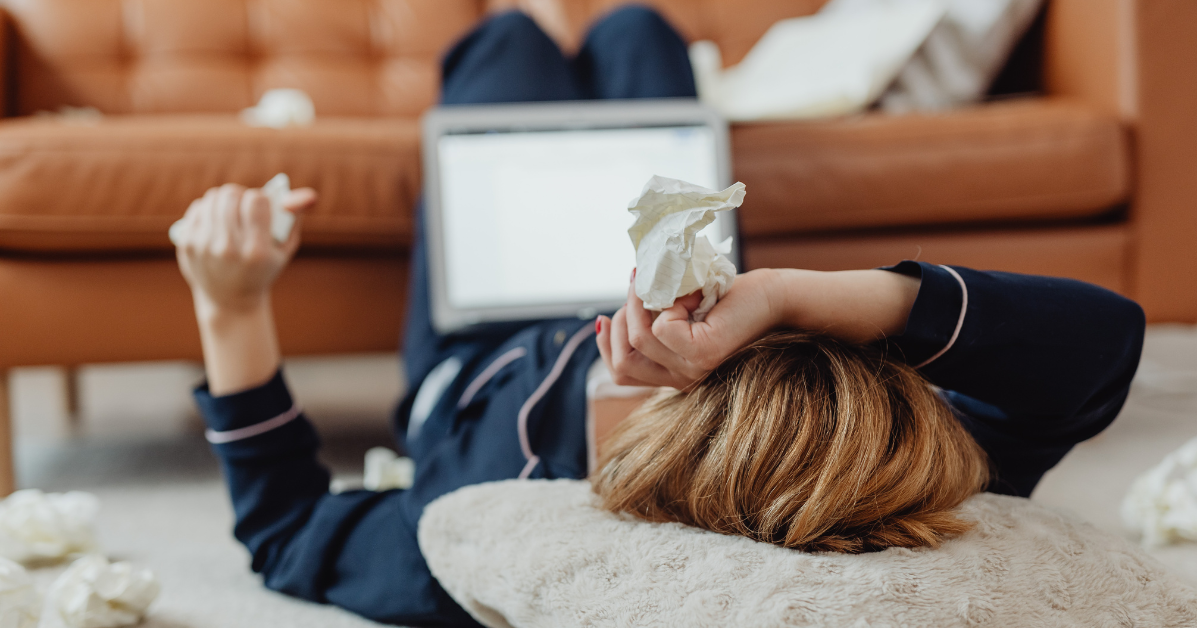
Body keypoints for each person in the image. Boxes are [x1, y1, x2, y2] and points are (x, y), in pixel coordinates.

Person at [171, 6, 1146, 627]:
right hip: (668, 260)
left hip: (485, 336)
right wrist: (780, 294)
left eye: (654, 391)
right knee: (641, 29)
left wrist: (231, 304)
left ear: (642, 473)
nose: (646, 357)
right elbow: (1103, 340)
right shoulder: (894, 468)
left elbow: (289, 531)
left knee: (504, 42)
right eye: (767, 346)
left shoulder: (496, 524)